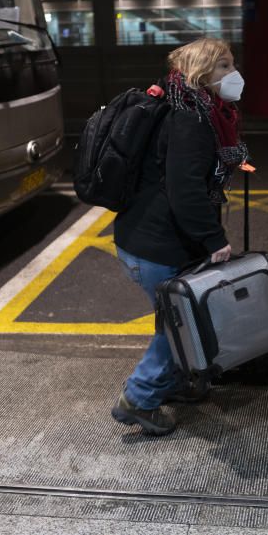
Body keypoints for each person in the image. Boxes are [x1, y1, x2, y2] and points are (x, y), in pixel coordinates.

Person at [110, 37, 248, 436]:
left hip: (154, 239)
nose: (233, 73)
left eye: (232, 64)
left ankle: (170, 384)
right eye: (224, 66)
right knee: (181, 322)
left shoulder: (193, 108)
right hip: (155, 244)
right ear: (202, 73)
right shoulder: (190, 119)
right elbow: (185, 190)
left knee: (180, 318)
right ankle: (139, 399)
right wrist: (213, 239)